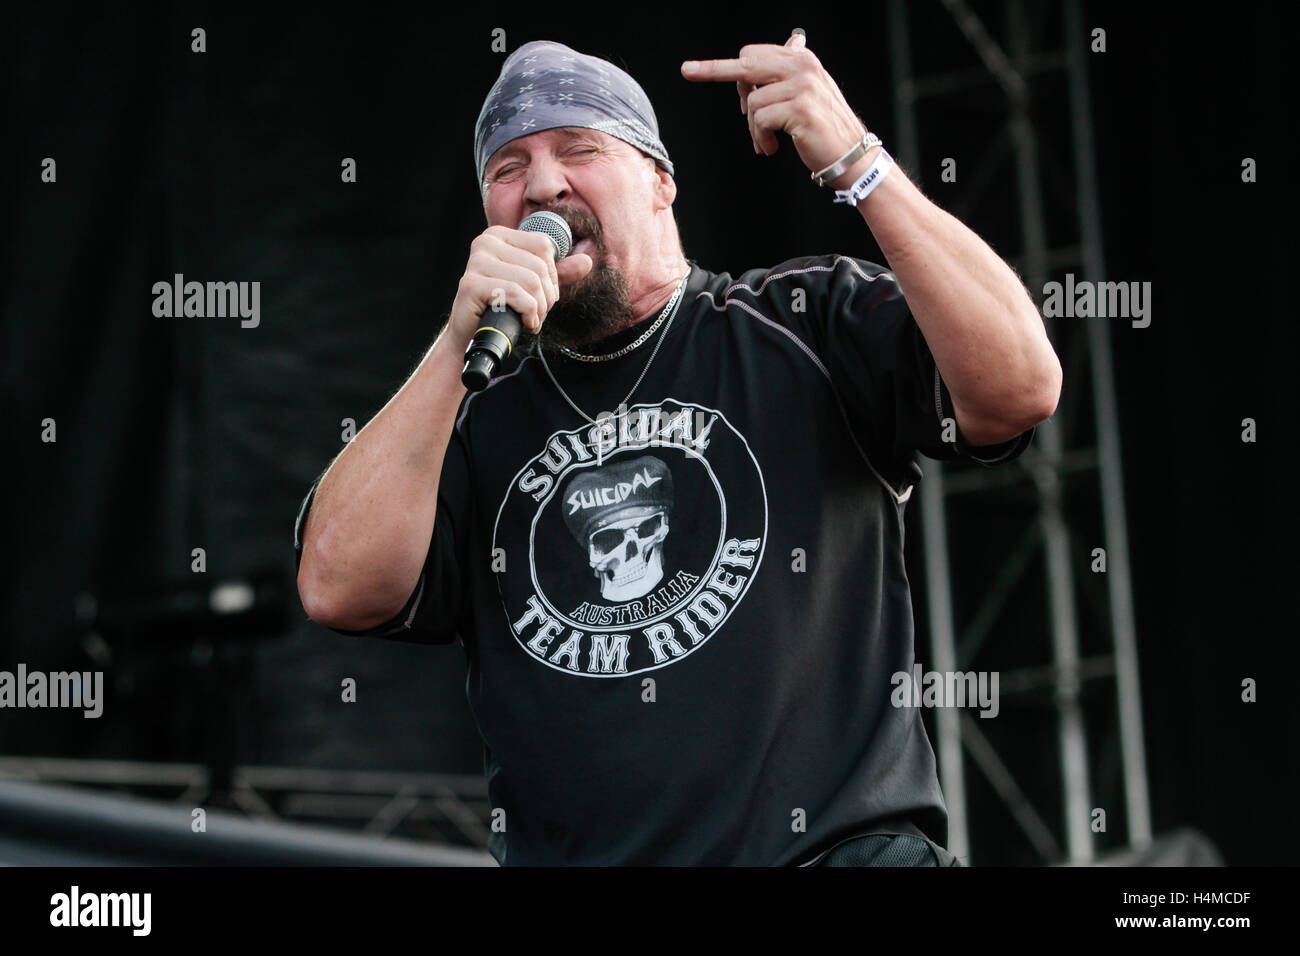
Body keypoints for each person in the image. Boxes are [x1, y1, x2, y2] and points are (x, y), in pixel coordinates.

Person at [294, 34, 1061, 866]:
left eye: (578, 149)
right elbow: (338, 586)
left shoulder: (797, 321)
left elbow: (1020, 389)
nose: (543, 183)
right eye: (506, 169)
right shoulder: (472, 412)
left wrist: (859, 165)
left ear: (662, 183)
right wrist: (454, 347)